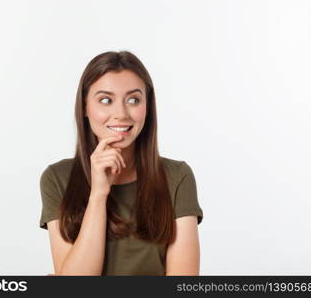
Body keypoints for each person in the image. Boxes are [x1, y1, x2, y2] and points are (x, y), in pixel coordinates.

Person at [39, 50, 203, 276]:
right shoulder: (57, 179)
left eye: (133, 100)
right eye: (105, 100)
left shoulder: (177, 177)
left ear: (148, 107)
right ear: (85, 107)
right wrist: (98, 194)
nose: (120, 114)